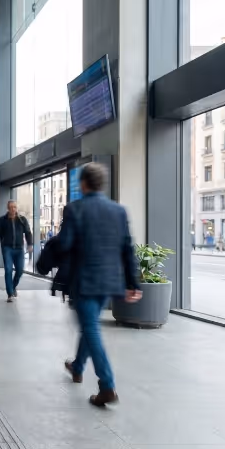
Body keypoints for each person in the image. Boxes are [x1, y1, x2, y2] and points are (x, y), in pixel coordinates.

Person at [56, 163, 141, 407]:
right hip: (109, 282)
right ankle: (77, 366)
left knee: (91, 328)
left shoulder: (75, 209)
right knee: (89, 325)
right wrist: (133, 282)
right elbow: (127, 248)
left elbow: (65, 244)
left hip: (84, 281)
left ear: (83, 184)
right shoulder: (119, 211)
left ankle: (107, 385)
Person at [0, 200, 33, 302]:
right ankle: (10, 294)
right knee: (8, 270)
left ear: (16, 208)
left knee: (20, 270)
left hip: (19, 249)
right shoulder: (2, 220)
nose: (13, 209)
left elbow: (28, 232)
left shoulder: (22, 220)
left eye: (14, 207)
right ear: (8, 208)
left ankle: (12, 286)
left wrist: (30, 244)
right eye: (11, 207)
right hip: (7, 249)